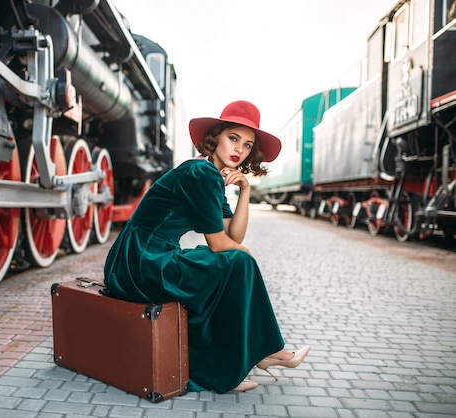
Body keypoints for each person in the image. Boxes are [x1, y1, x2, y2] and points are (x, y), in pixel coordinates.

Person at [103, 100, 310, 393]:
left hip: (151, 257)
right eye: (233, 138)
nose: (239, 149)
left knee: (233, 265)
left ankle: (250, 357)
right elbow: (218, 243)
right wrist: (245, 253)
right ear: (215, 138)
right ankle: (252, 358)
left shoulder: (212, 178)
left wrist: (246, 191)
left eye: (248, 145)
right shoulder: (200, 173)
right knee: (239, 263)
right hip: (139, 260)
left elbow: (232, 237)